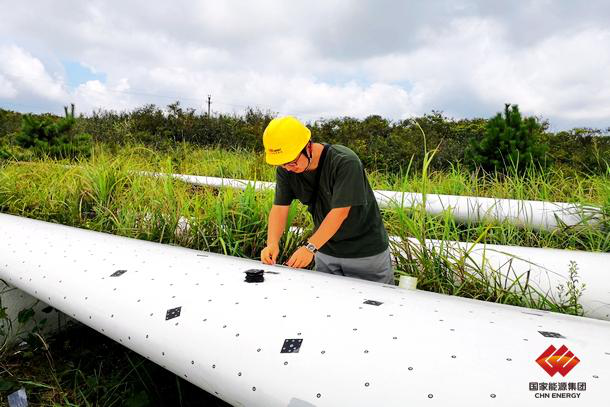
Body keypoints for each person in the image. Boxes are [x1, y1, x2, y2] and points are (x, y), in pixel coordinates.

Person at [260, 116, 394, 284]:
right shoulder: (286, 170)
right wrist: (272, 243)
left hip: (365, 254)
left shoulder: (345, 162)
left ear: (308, 146)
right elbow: (280, 208)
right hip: (325, 250)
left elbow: (340, 212)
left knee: (376, 305)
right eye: (282, 164)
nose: (288, 168)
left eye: (292, 162)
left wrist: (309, 247)